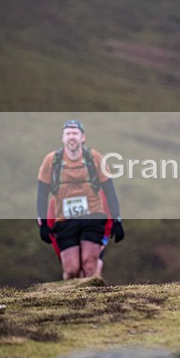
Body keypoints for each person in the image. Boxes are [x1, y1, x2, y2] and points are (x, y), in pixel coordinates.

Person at [36, 120, 124, 280]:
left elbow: (110, 191)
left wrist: (117, 221)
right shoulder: (51, 161)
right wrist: (42, 224)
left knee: (89, 266)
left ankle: (92, 303)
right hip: (64, 219)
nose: (72, 137)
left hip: (92, 216)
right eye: (68, 133)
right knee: (71, 269)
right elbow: (42, 194)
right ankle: (72, 302)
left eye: (75, 133)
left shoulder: (95, 158)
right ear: (62, 138)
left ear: (83, 137)